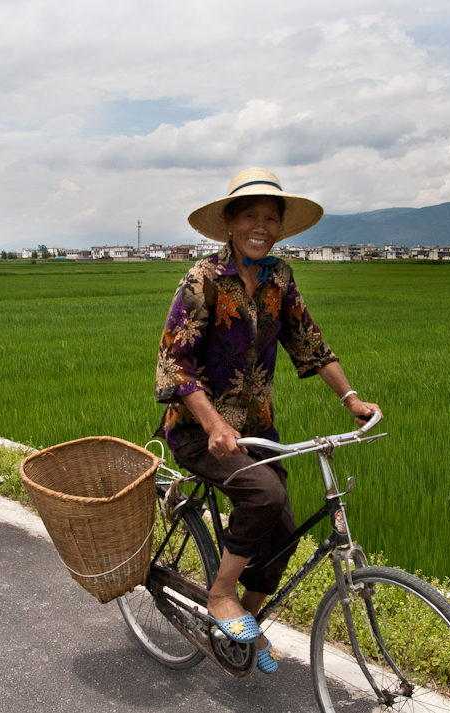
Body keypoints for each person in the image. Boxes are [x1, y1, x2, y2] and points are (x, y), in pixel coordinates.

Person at [155, 167, 380, 675]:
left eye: (270, 219)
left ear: (280, 227)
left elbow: (309, 342)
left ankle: (246, 627)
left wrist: (351, 399)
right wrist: (213, 424)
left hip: (256, 431)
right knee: (265, 496)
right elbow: (174, 361)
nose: (260, 227)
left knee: (283, 530)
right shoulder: (203, 279)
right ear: (230, 222)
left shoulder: (280, 278)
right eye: (250, 216)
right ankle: (221, 594)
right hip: (199, 431)